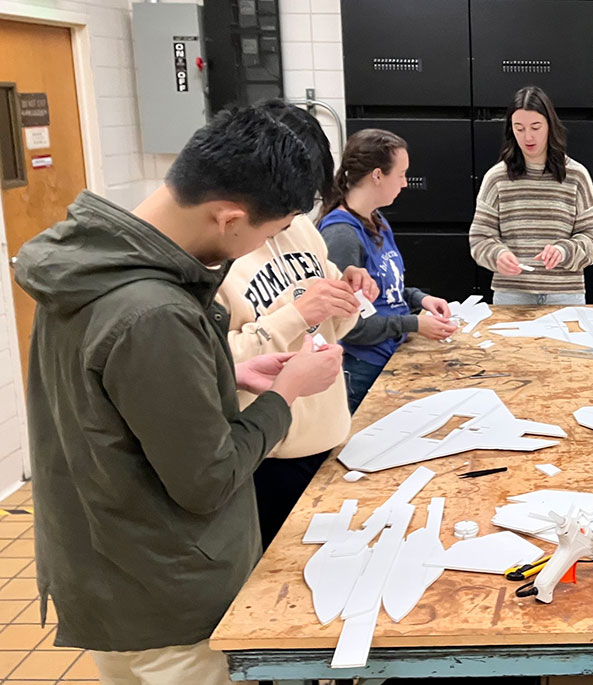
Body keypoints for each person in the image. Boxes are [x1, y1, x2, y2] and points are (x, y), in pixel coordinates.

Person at [13, 105, 345, 684]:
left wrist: (225, 374)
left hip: (113, 573)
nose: (254, 250)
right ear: (228, 218)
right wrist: (285, 395)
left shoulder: (89, 267)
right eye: (263, 235)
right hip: (164, 599)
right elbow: (209, 478)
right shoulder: (153, 311)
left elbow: (114, 403)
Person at [217, 101, 379, 550]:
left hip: (329, 438)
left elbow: (333, 330)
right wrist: (296, 313)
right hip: (268, 455)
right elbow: (209, 363)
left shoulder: (301, 230)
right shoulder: (219, 249)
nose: (292, 214)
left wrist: (349, 298)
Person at [319, 128, 457, 414]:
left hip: (389, 360)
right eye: (401, 174)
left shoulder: (376, 220)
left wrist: (419, 300)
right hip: (362, 368)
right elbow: (352, 326)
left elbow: (386, 292)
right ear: (377, 175)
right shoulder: (342, 235)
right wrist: (414, 324)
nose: (406, 183)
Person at [469, 85, 593, 305]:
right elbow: (480, 239)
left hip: (565, 294)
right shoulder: (497, 178)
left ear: (550, 126)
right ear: (510, 129)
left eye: (535, 127)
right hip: (512, 295)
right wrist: (497, 256)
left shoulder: (577, 176)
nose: (528, 136)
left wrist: (564, 251)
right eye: (519, 128)